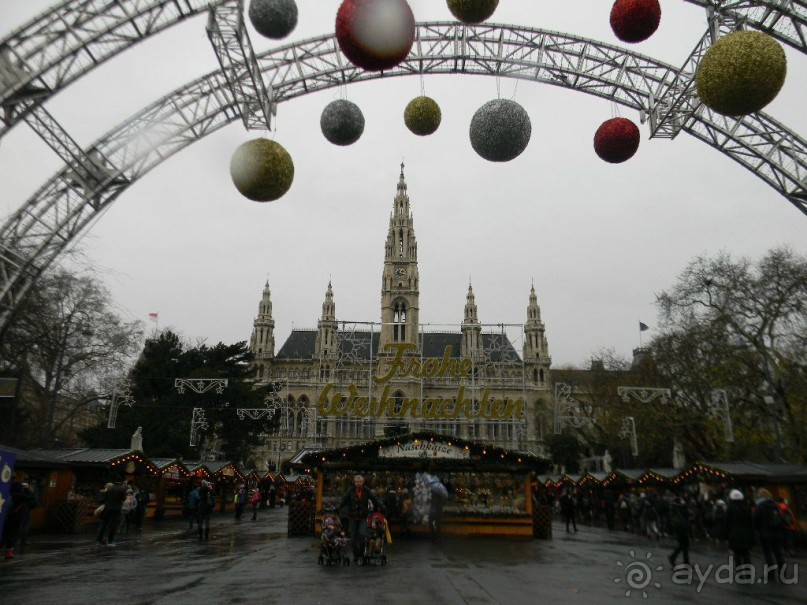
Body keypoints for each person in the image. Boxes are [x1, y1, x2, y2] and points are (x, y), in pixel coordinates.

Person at [339, 474, 381, 562]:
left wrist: (381, 508)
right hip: (352, 517)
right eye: (357, 481)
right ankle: (356, 554)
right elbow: (343, 500)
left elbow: (375, 499)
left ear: (363, 482)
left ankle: (361, 554)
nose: (359, 483)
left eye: (360, 481)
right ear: (354, 482)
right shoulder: (350, 491)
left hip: (362, 517)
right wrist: (337, 508)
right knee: (353, 538)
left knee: (362, 535)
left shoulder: (366, 490)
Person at [753, 488, 785, 581]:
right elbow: (781, 519)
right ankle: (782, 573)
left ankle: (771, 574)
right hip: (776, 533)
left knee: (768, 554)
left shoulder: (761, 506)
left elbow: (755, 520)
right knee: (778, 553)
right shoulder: (776, 505)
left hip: (765, 533)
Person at [723, 489, 755, 571]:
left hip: (734, 535)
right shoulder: (747, 509)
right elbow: (750, 524)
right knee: (746, 554)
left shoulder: (730, 509)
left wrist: (725, 536)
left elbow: (727, 524)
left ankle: (739, 572)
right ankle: (748, 572)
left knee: (737, 554)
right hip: (746, 535)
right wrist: (752, 537)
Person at [2, 481, 35, 559]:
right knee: (12, 534)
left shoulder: (8, 495)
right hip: (16, 518)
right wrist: (27, 489)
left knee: (4, 533)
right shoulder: (22, 496)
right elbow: (32, 497)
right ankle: (9, 552)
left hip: (5, 517)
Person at [96, 481, 127, 547]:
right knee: (112, 525)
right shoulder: (122, 489)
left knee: (103, 524)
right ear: (121, 483)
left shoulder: (109, 489)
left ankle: (98, 541)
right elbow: (124, 499)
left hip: (107, 508)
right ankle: (110, 541)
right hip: (116, 509)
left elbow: (102, 499)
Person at [668, 497, 690, 567]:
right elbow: (684, 514)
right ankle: (673, 557)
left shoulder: (675, 508)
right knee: (683, 545)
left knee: (684, 545)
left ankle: (685, 562)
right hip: (680, 527)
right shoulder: (676, 508)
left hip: (680, 527)